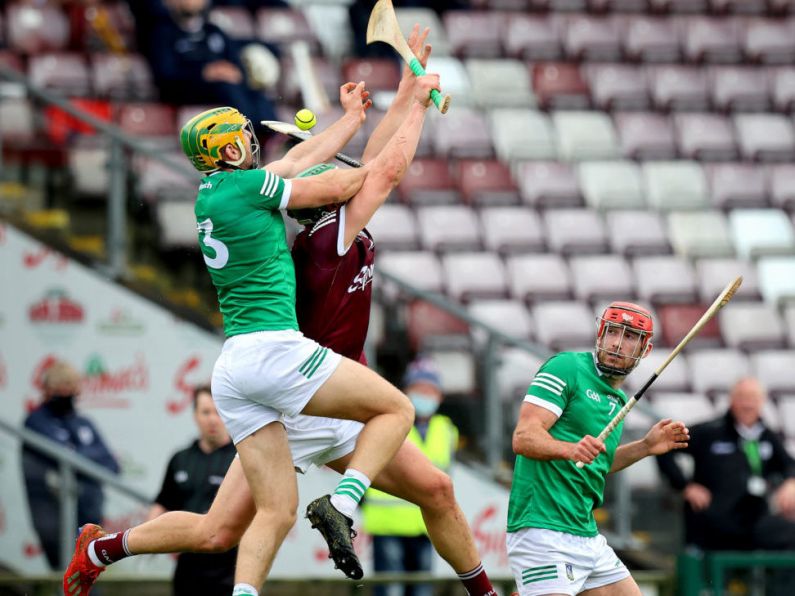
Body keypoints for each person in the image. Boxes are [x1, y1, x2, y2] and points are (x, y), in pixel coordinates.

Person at [64, 26, 497, 596]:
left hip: (290, 385)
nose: (252, 146)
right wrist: (414, 99)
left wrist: (360, 116)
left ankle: (102, 548)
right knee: (395, 410)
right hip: (303, 383)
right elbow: (376, 171)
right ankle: (344, 504)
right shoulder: (328, 235)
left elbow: (311, 161)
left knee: (230, 528)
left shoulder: (243, 196)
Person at [506, 302, 691, 596]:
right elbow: (524, 437)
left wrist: (644, 446)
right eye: (613, 332)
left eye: (630, 337)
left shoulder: (617, 400)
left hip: (586, 534)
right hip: (542, 529)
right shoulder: (566, 367)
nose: (618, 343)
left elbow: (597, 462)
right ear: (600, 334)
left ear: (645, 349)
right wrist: (570, 450)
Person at [657, 377, 795, 552]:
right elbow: (664, 448)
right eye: (742, 397)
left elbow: (789, 464)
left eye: (753, 398)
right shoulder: (710, 431)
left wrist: (791, 482)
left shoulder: (767, 436)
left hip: (753, 520)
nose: (748, 404)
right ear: (732, 400)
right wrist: (684, 486)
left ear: (762, 402)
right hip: (711, 522)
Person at [362, 357, 458, 596]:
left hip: (427, 527)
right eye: (419, 389)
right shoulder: (386, 424)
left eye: (430, 390)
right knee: (390, 591)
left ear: (440, 396)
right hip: (387, 525)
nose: (425, 395)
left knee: (422, 591)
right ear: (405, 391)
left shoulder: (447, 430)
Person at [22, 360, 120, 570]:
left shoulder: (84, 423)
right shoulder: (36, 421)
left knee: (88, 575)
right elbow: (64, 458)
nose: (68, 393)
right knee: (67, 575)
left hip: (89, 518)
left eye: (71, 386)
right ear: (48, 390)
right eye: (61, 387)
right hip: (53, 517)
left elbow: (111, 465)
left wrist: (77, 453)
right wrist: (85, 457)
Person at [130, 0, 277, 135]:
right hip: (187, 89)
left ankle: (273, 136)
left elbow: (236, 65)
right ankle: (253, 134)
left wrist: (234, 72)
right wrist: (204, 73)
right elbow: (165, 75)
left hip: (224, 86)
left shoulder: (214, 31)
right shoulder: (163, 33)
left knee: (258, 94)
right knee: (227, 88)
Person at [148, 385, 237, 596]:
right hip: (188, 567)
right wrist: (146, 537)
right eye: (206, 412)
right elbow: (163, 503)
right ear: (195, 415)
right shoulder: (181, 459)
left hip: (229, 568)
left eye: (218, 412)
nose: (213, 419)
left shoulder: (240, 458)